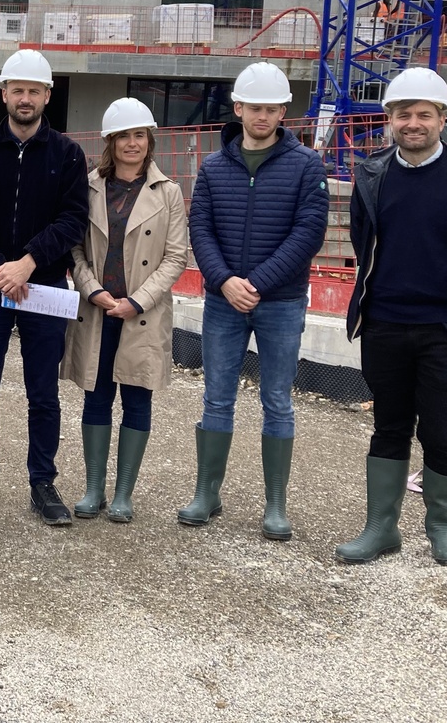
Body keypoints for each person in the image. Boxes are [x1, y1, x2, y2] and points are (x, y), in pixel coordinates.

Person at [336, 68, 447, 566]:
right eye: (402, 115)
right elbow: (363, 241)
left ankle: (442, 527)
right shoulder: (371, 176)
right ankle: (381, 529)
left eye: (423, 114)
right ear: (389, 120)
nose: (412, 123)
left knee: (441, 430)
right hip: (385, 324)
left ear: (443, 118)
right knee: (389, 427)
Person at [180, 62, 328, 540]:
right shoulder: (214, 167)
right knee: (216, 398)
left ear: (283, 111)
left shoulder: (306, 166)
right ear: (238, 108)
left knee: (277, 401)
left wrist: (257, 283)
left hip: (280, 301)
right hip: (224, 300)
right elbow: (199, 228)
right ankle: (207, 492)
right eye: (254, 108)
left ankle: (276, 504)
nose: (262, 116)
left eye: (271, 108)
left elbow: (308, 232)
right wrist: (224, 281)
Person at [0, 49, 89, 525]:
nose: (25, 98)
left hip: (43, 285)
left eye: (34, 91)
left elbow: (72, 221)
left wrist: (26, 263)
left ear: (48, 96)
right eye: (17, 90)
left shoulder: (67, 154)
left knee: (42, 391)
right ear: (3, 93)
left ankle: (42, 482)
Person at [61, 98, 188, 522]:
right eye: (122, 136)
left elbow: (175, 257)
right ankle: (94, 488)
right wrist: (91, 289)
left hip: (141, 313)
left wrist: (137, 300)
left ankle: (123, 494)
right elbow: (76, 247)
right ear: (109, 142)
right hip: (97, 308)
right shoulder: (90, 185)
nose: (131, 144)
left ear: (148, 140)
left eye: (139, 135)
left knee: (137, 400)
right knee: (96, 400)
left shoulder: (167, 192)